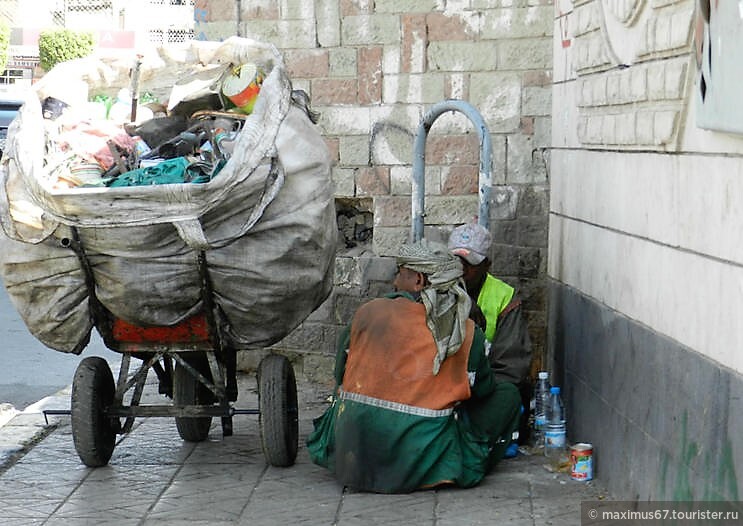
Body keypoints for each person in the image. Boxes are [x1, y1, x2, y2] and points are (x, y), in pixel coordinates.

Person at [306, 239, 521, 493]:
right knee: (508, 395)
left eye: (399, 273)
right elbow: (482, 391)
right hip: (419, 457)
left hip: (352, 454)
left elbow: (339, 373)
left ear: (418, 280)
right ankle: (455, 462)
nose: (395, 282)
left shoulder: (367, 312)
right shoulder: (465, 330)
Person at [448, 223, 533, 443]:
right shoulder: (436, 290)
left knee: (509, 396)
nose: (462, 270)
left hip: (482, 387)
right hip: (442, 385)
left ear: (487, 265)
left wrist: (476, 387)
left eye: (470, 264)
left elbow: (511, 368)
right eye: (456, 262)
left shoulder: (504, 297)